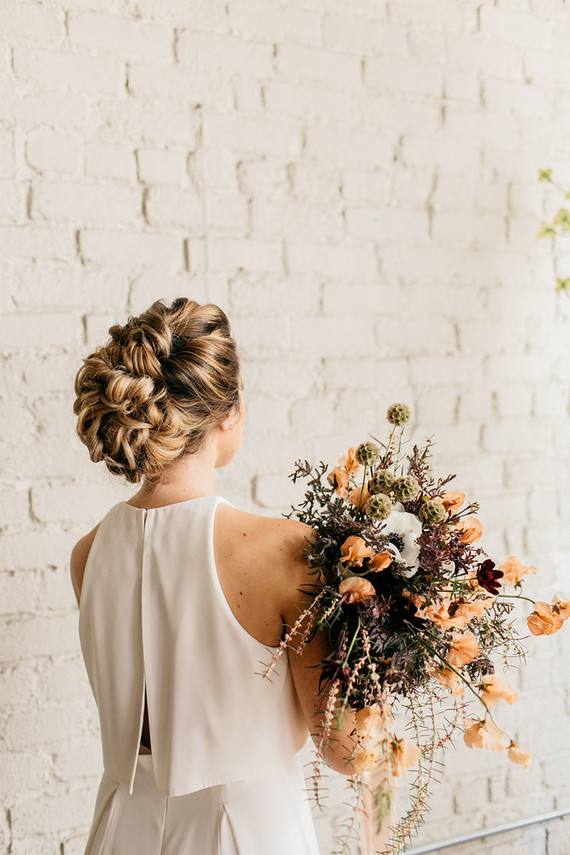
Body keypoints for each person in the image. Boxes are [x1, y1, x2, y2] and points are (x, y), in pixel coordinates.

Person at [70, 297, 359, 855]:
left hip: (119, 830)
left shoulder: (88, 554)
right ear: (228, 411)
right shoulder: (288, 552)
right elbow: (347, 751)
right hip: (247, 832)